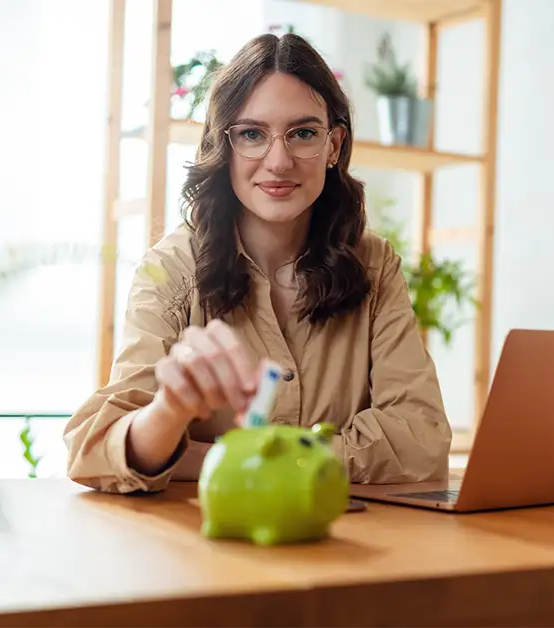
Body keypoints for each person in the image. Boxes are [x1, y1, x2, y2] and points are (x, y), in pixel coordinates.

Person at [63, 32, 452, 494]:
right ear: (223, 148)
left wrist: (233, 458)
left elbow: (421, 440)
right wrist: (168, 410)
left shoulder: (374, 264)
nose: (279, 160)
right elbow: (95, 451)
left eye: (303, 133)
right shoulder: (170, 270)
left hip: (344, 547)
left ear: (333, 145)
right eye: (252, 134)